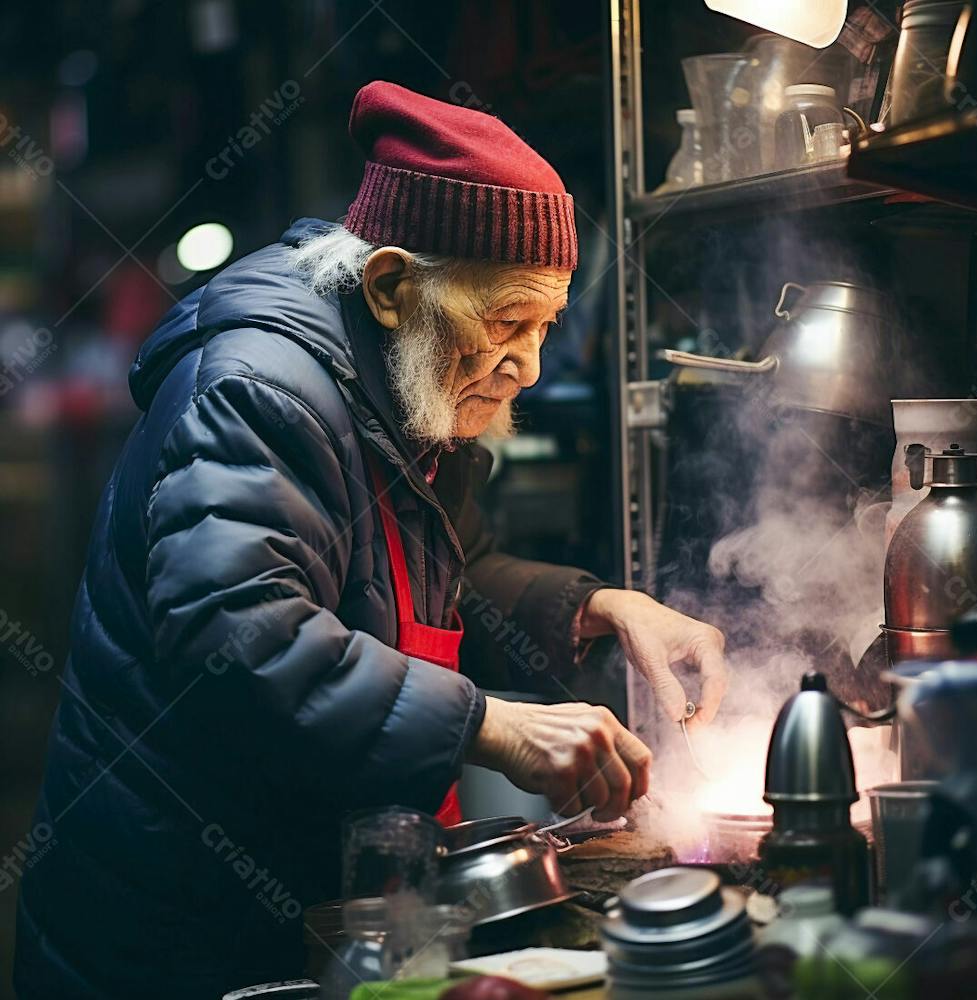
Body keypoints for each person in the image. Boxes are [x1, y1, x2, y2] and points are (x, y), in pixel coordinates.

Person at [15, 81, 727, 999]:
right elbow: (240, 639)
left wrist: (598, 605)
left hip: (291, 899)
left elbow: (446, 572)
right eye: (506, 322)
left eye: (545, 325)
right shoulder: (257, 393)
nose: (531, 365)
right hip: (171, 921)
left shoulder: (401, 387)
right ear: (392, 285)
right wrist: (489, 724)